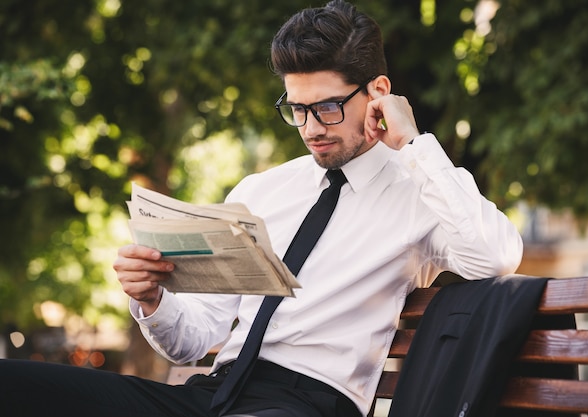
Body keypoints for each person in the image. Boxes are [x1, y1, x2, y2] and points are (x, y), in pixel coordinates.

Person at [0, 1, 523, 416]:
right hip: (213, 394)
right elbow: (194, 340)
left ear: (379, 93)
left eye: (327, 107)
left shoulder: (418, 190)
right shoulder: (263, 189)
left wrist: (412, 145)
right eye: (296, 109)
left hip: (309, 402)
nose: (311, 127)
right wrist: (153, 299)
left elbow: (495, 256)